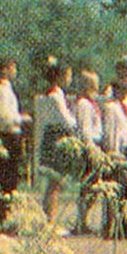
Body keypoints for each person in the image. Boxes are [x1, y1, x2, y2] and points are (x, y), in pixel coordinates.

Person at [0, 57, 30, 234]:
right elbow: (5, 117)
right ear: (4, 70)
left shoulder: (7, 90)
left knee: (10, 180)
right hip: (7, 136)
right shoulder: (1, 91)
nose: (14, 70)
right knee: (3, 180)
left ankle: (5, 217)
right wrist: (22, 119)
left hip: (12, 136)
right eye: (12, 67)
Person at [33, 60, 78, 228]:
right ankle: (49, 220)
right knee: (54, 182)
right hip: (56, 137)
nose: (70, 79)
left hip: (52, 135)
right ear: (60, 77)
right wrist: (76, 122)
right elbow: (65, 119)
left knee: (54, 183)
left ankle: (48, 219)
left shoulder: (53, 95)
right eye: (68, 75)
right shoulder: (54, 96)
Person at [71, 70, 103, 235]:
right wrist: (91, 148)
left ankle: (84, 220)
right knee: (89, 185)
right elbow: (84, 129)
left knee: (93, 186)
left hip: (96, 143)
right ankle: (81, 221)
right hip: (90, 145)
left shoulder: (91, 103)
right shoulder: (83, 104)